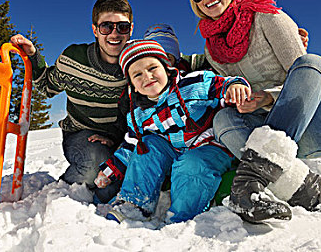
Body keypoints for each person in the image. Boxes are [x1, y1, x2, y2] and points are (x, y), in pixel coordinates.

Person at [187, 0, 321, 223]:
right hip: (274, 138)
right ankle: (302, 194)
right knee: (223, 119)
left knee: (313, 63)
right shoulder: (212, 50)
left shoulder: (266, 16)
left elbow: (304, 76)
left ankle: (250, 178)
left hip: (313, 128)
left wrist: (269, 98)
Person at [94, 39, 251, 223]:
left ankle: (181, 218)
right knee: (147, 146)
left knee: (191, 165)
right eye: (137, 75)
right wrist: (110, 170)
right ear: (132, 85)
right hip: (171, 148)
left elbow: (223, 85)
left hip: (208, 146)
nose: (147, 76)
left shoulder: (194, 84)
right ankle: (134, 204)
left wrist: (234, 87)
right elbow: (131, 145)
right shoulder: (137, 113)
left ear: (166, 68)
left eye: (153, 68)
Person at [10, 0, 133, 203]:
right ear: (95, 29)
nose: (114, 33)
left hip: (122, 140)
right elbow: (46, 86)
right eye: (106, 27)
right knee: (95, 166)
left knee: (120, 180)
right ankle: (62, 195)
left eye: (122, 27)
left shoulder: (137, 63)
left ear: (131, 29)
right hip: (81, 134)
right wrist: (32, 56)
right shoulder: (74, 59)